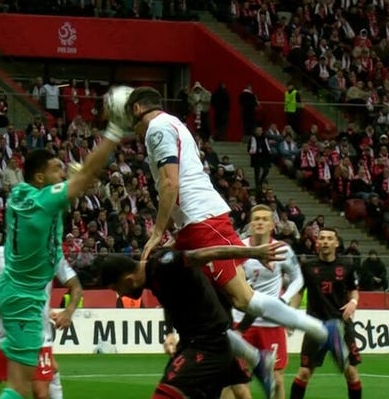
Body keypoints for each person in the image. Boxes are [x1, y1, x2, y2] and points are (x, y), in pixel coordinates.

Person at [125, 86, 347, 370]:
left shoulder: (157, 128)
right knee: (193, 295)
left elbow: (171, 184)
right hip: (193, 224)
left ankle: (318, 332)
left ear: (135, 110)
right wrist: (175, 235)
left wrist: (158, 232)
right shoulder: (171, 124)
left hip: (202, 220)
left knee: (243, 299)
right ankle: (250, 359)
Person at [0, 107, 126, 399]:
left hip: (15, 291)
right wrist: (114, 132)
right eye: (57, 169)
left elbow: (75, 187)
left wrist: (78, 181)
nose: (63, 172)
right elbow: (84, 178)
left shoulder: (21, 194)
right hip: (24, 298)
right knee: (19, 386)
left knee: (21, 381)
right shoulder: (42, 201)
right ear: (40, 178)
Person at [99, 243, 291, 399]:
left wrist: (253, 252)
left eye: (117, 288)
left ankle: (258, 359)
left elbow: (207, 253)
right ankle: (258, 359)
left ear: (129, 280)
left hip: (209, 344)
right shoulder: (155, 278)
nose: (120, 294)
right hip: (198, 342)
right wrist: (169, 333)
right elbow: (170, 303)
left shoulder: (164, 264)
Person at [0, 245, 82, 399]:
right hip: (6, 335)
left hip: (39, 336)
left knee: (41, 393)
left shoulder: (51, 254)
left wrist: (68, 312)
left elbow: (76, 287)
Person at [224, 205, 305, 399]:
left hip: (271, 323)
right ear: (250, 224)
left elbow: (298, 279)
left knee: (276, 379)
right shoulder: (238, 248)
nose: (259, 222)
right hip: (240, 322)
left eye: (264, 219)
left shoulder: (282, 250)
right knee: (232, 380)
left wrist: (284, 300)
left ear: (272, 225)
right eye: (256, 219)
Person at [289, 227, 362, 399]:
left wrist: (353, 302)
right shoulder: (307, 266)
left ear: (336, 243)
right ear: (317, 243)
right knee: (304, 373)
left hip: (341, 324)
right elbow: (299, 292)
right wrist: (290, 314)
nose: (325, 241)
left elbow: (354, 290)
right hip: (315, 326)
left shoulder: (347, 265)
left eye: (329, 238)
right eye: (321, 238)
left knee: (351, 372)